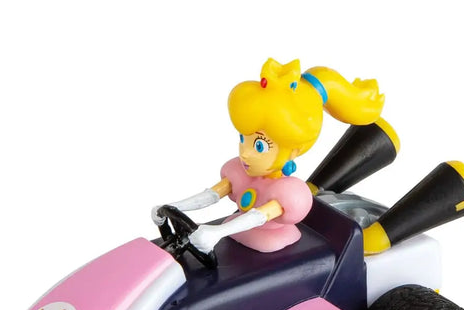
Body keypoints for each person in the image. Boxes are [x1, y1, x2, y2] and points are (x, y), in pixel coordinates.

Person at [152, 58, 384, 253]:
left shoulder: (289, 193)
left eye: (260, 145)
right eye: (243, 138)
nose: (246, 152)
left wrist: (218, 232)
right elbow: (212, 194)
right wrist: (173, 206)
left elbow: (259, 216)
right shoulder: (240, 172)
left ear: (293, 151)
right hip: (239, 233)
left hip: (270, 238)